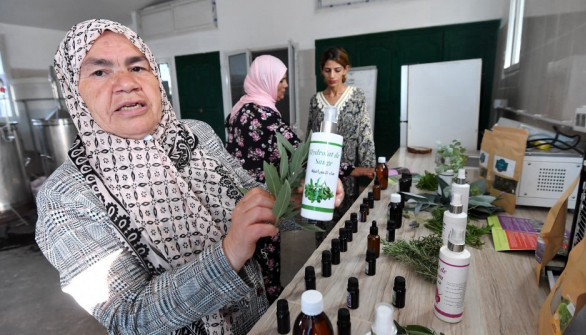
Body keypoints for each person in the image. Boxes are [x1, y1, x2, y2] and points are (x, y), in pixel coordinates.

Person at [34, 19, 343, 335]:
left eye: (137, 67)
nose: (126, 82)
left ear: (156, 77)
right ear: (74, 91)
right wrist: (228, 253)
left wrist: (297, 199)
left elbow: (254, 198)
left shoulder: (196, 135)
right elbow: (129, 318)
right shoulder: (66, 197)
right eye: (100, 72)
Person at [224, 55, 299, 304]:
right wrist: (347, 169)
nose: (285, 84)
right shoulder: (263, 115)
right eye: (282, 79)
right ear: (267, 80)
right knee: (266, 261)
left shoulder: (241, 109)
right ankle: (268, 313)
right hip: (263, 201)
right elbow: (298, 152)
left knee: (249, 262)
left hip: (239, 200)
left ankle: (253, 308)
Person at [307, 46, 376, 216]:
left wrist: (370, 169)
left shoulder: (356, 97)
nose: (332, 76)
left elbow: (365, 135)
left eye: (337, 70)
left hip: (350, 175)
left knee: (346, 223)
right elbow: (310, 138)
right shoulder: (315, 101)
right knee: (321, 218)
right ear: (321, 70)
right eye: (327, 70)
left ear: (346, 69)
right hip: (322, 172)